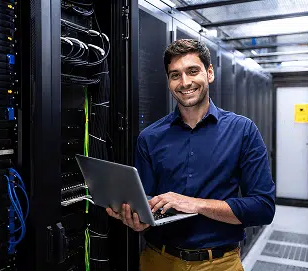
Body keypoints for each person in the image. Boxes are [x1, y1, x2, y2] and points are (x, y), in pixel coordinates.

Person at [105, 39, 275, 270]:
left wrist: (194, 204)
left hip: (220, 263)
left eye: (192, 71)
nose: (185, 82)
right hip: (158, 260)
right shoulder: (150, 137)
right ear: (168, 81)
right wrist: (136, 219)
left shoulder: (243, 131)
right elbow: (147, 206)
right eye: (175, 75)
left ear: (210, 73)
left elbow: (262, 208)